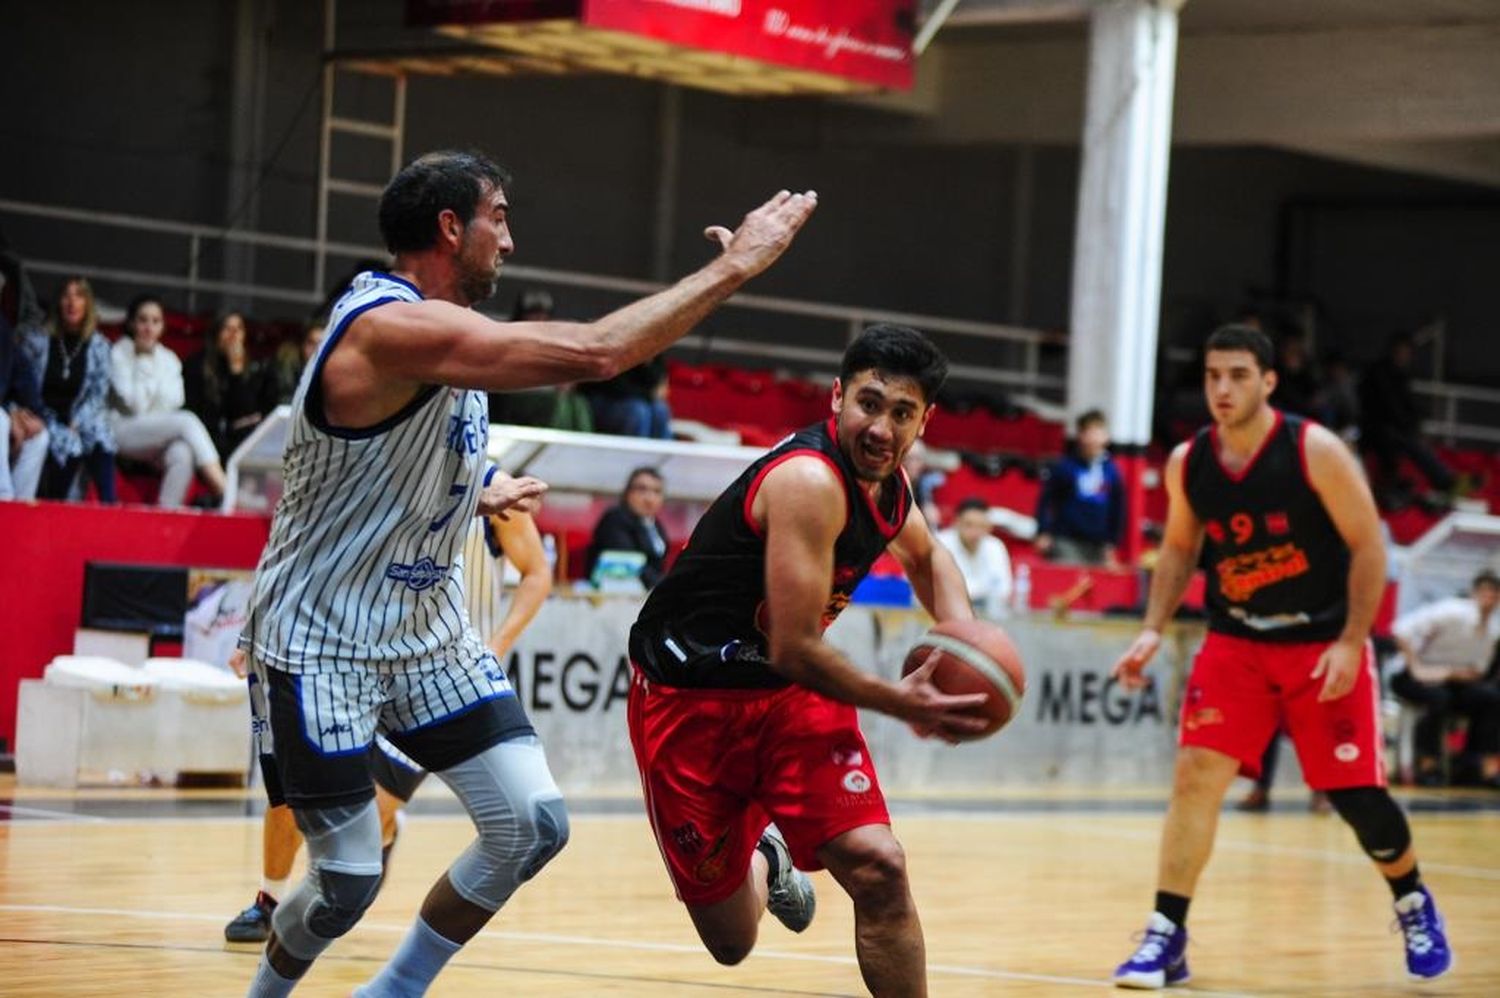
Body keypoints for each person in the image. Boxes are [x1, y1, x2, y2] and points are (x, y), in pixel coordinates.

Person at [236, 148, 816, 997]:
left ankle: (390, 993)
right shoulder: (391, 326)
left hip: (425, 631)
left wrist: (475, 487)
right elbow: (596, 354)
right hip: (322, 640)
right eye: (499, 217)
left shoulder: (453, 353)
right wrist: (734, 267)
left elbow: (389, 455)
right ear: (449, 227)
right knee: (347, 883)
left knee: (532, 825)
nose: (509, 239)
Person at [627, 324, 991, 996]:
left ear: (924, 421)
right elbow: (796, 647)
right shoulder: (807, 481)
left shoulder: (891, 485)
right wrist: (898, 699)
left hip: (790, 700)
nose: (882, 427)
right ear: (836, 397)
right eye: (869, 403)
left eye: (902, 412)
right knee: (732, 942)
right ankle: (766, 852)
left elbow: (928, 555)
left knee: (880, 867)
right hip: (689, 703)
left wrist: (962, 638)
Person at [1110, 324, 1452, 988]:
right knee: (1195, 780)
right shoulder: (1191, 462)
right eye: (1212, 376)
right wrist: (1154, 626)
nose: (1222, 389)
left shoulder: (1313, 451)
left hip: (1320, 644)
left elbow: (1369, 548)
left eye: (1238, 375)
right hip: (1236, 642)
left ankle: (1412, 900)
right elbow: (1181, 548)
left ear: (1268, 381)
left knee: (1355, 796)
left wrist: (1354, 641)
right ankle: (1165, 935)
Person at [227, 504, 553, 943]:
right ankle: (269, 900)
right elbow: (304, 553)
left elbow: (537, 573)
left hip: (439, 676)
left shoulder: (490, 489)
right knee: (292, 788)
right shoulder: (375, 480)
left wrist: (499, 643)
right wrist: (257, 629)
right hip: (352, 657)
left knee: (377, 803)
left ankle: (376, 836)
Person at [108, 294, 228, 507]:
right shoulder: (119, 352)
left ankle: (166, 514)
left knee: (183, 452)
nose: (148, 327)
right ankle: (223, 487)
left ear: (162, 326)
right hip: (121, 431)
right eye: (143, 320)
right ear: (132, 323)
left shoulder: (169, 358)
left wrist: (155, 412)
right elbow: (135, 405)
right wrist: (143, 362)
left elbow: (174, 401)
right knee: (187, 421)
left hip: (156, 435)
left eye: (155, 321)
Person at [1389, 569, 1500, 788]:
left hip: (1453, 679)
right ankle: (1427, 766)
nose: (1489, 598)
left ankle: (1475, 767)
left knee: (1491, 699)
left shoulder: (1494, 628)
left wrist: (1454, 674)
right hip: (1410, 675)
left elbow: (1479, 669)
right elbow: (1400, 630)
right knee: (1438, 698)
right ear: (1474, 593)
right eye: (1485, 592)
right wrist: (1417, 667)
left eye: (1494, 593)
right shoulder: (1450, 611)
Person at [21, 277, 116, 501]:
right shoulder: (37, 340)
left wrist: (78, 421)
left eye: (79, 296)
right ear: (58, 303)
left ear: (88, 304)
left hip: (75, 418)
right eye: (66, 295)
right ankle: (56, 503)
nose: (72, 302)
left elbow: (98, 394)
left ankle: (110, 505)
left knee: (100, 431)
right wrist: (42, 416)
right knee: (70, 444)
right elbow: (24, 384)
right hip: (42, 414)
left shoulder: (99, 345)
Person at [1358, 331, 1457, 504]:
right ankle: (1444, 481)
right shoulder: (1379, 372)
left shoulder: (1400, 376)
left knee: (1409, 439)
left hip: (1391, 429)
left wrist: (1416, 425)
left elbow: (1406, 406)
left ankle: (1442, 480)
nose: (1405, 356)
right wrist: (1410, 428)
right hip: (1375, 430)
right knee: (1405, 440)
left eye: (1407, 353)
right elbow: (1389, 407)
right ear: (1393, 351)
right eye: (1402, 352)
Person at [487, 289, 594, 432]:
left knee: (578, 404)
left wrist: (567, 381)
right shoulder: (508, 337)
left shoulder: (555, 339)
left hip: (550, 392)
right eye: (533, 314)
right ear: (522, 315)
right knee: (556, 404)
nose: (538, 319)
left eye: (542, 314)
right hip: (516, 394)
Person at [1035, 409, 1123, 568]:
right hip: (1067, 541)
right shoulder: (1065, 467)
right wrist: (1043, 531)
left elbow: (1118, 508)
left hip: (1098, 545)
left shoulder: (1112, 471)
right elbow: (1046, 500)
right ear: (1081, 436)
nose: (1094, 438)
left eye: (1099, 432)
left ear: (1106, 437)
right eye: (1090, 432)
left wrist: (1112, 542)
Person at [185, 311, 278, 460]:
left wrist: (236, 371)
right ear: (216, 334)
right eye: (227, 328)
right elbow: (202, 415)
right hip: (209, 439)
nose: (233, 335)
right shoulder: (197, 365)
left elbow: (245, 412)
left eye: (238, 329)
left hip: (244, 439)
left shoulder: (258, 368)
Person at [585, 466, 671, 590]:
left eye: (657, 491)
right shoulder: (615, 519)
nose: (649, 498)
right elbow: (629, 561)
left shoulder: (655, 525)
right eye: (642, 489)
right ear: (628, 493)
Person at [936, 497, 1013, 619]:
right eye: (969, 525)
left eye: (982, 526)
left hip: (987, 615)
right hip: (945, 615)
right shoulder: (939, 543)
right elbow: (942, 589)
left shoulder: (995, 546)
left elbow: (1003, 588)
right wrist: (983, 590)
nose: (975, 532)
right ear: (956, 523)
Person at [586, 354, 671, 438]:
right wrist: (649, 394)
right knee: (638, 410)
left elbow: (657, 383)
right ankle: (637, 450)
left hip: (635, 398)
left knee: (660, 409)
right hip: (602, 397)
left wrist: (648, 363)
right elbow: (617, 387)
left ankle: (662, 451)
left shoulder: (651, 349)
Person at [273, 320, 327, 404]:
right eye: (311, 343)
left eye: (321, 344)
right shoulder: (287, 370)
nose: (316, 350)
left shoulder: (334, 375)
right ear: (302, 345)